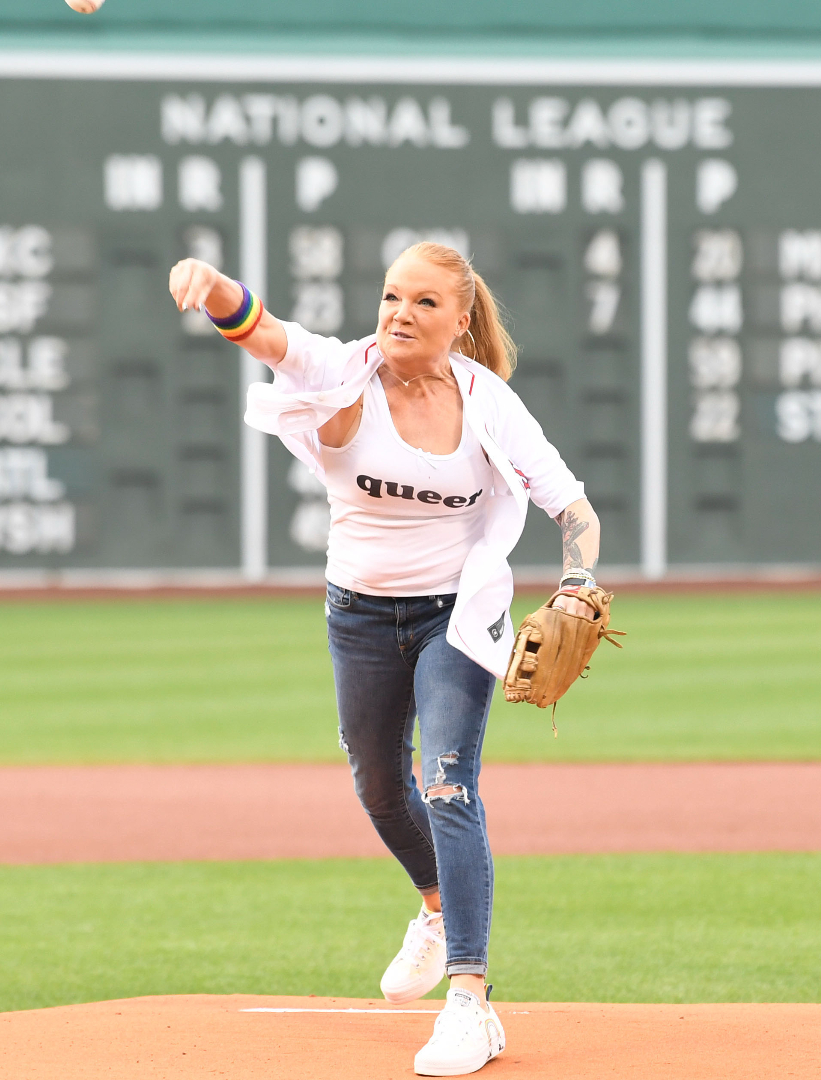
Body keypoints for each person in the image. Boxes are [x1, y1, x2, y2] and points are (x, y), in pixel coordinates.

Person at [170, 243, 599, 1075]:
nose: (401, 313)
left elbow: (573, 508)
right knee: (376, 781)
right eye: (392, 295)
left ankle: (470, 1002)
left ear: (460, 321)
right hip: (359, 616)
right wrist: (212, 284)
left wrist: (579, 582)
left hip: (456, 617)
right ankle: (436, 911)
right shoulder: (342, 374)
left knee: (447, 781)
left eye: (425, 302)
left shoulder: (487, 402)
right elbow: (261, 334)